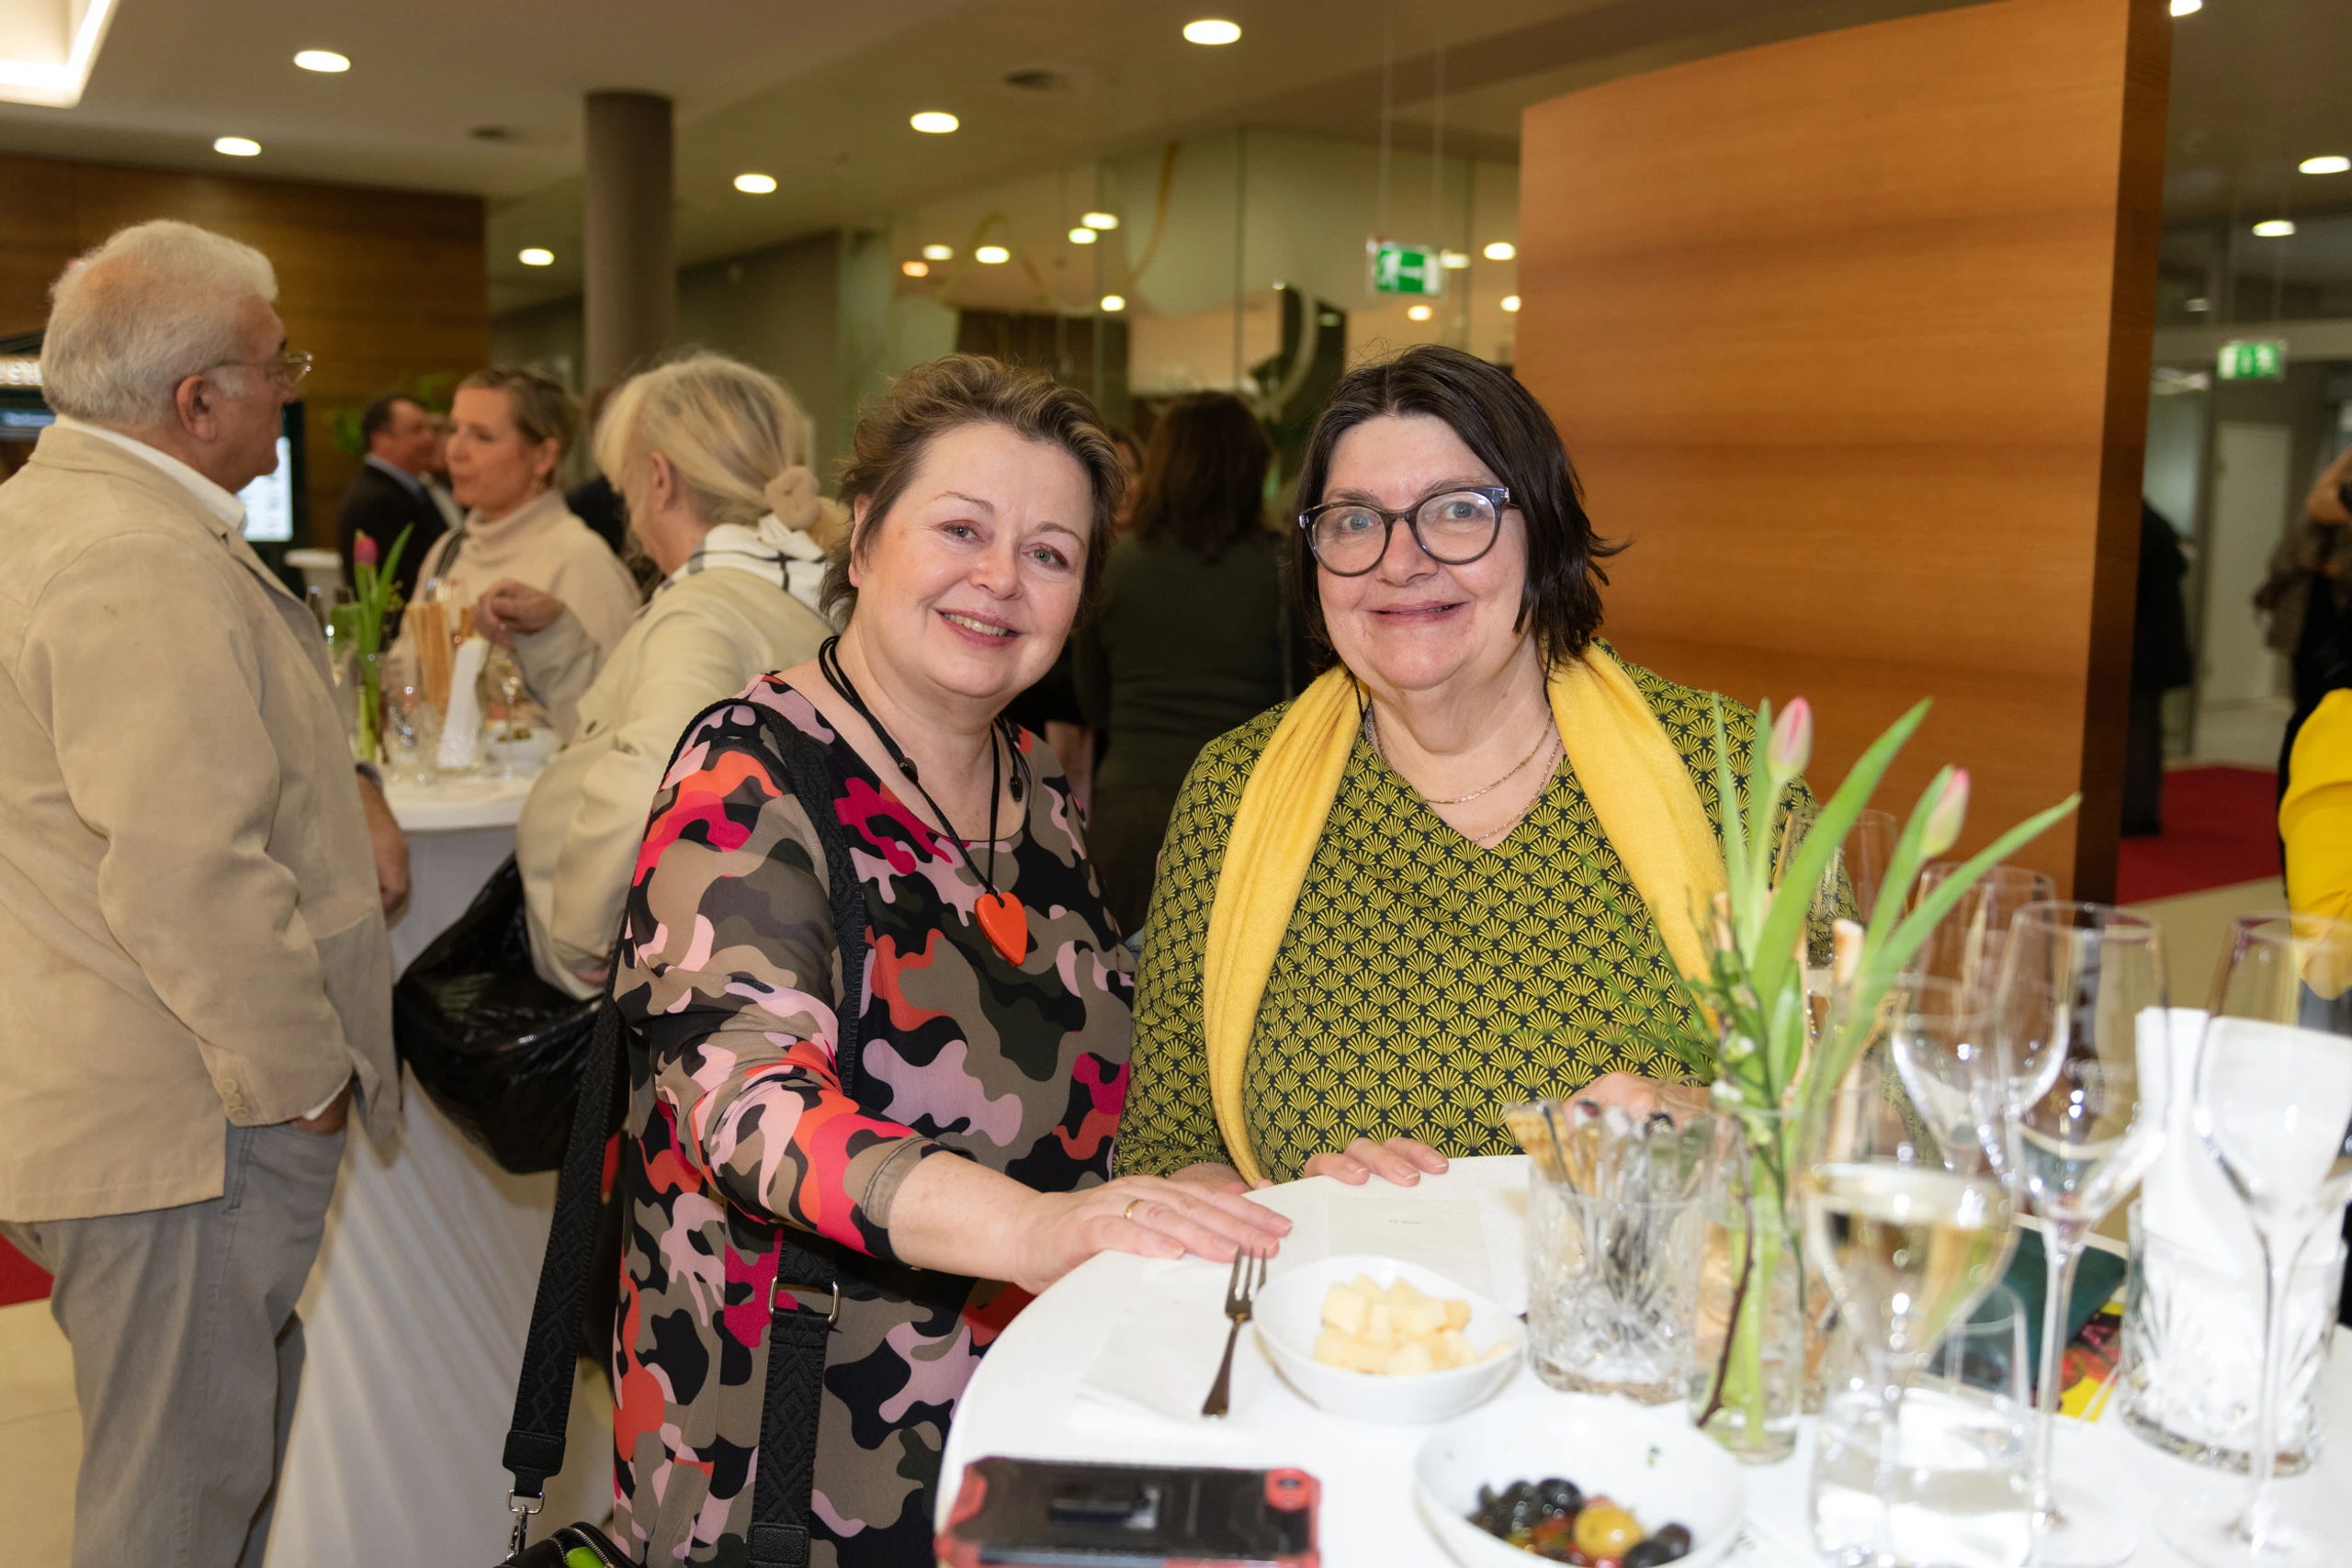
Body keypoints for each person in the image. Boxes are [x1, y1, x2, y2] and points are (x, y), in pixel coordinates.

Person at [610, 355, 1287, 1565]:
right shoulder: (749, 771)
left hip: (1021, 1419)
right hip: (793, 1450)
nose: (1001, 579)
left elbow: (1084, 1062)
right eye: (962, 529)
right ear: (865, 533)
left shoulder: (1033, 785)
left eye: (1050, 552)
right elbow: (746, 1105)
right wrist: (1036, 1230)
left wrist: (1212, 1168)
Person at [1114, 344, 1820, 1193]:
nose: (1400, 560)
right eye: (1354, 520)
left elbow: (1876, 1112)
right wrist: (1305, 1211)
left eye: (1456, 511)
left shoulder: (1727, 775)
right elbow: (1171, 1150)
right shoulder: (1233, 793)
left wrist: (1704, 1123)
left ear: (1543, 532)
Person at [0, 220, 406, 1568]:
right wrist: (304, 1078)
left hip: (119, 1092)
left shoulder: (53, 518)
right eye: (275, 364)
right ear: (196, 401)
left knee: (199, 1472)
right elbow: (189, 868)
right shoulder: (134, 554)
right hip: (185, 1117)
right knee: (175, 1508)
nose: (289, 388)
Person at [472, 354, 836, 998]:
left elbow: (652, 770)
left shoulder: (704, 609)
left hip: (675, 968)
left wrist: (584, 930)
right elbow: (628, 731)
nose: (629, 507)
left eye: (627, 482)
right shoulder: (790, 583)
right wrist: (558, 641)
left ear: (660, 479)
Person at [1072, 391, 1305, 931]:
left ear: (1164, 466)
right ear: (1253, 468)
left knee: (1127, 968)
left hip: (1130, 805)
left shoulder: (1116, 567)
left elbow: (1091, 701)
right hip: (1248, 804)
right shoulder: (1286, 570)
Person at [393, 365, 639, 662]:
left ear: (543, 456)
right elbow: (404, 668)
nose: (455, 451)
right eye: (455, 429)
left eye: (482, 437)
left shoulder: (580, 561)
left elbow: (613, 686)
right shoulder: (449, 550)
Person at [334, 392, 447, 622]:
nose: (430, 438)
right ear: (381, 440)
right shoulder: (377, 500)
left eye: (429, 429)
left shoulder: (405, 488)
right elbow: (401, 584)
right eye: (417, 430)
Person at [2122, 502, 2195, 836]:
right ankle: (2140, 806)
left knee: (2138, 733)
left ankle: (2135, 811)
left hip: (2143, 649)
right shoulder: (2154, 522)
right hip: (2153, 648)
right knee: (2144, 732)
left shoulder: (2135, 525)